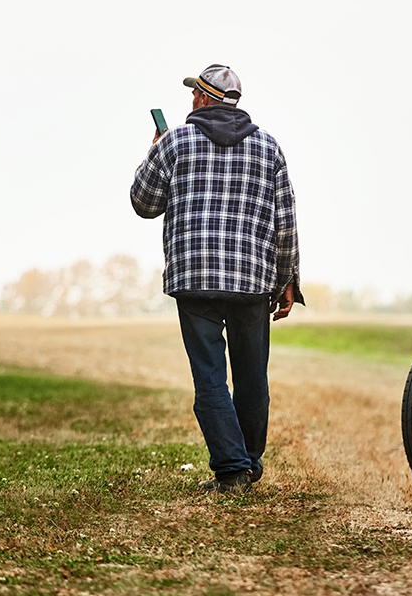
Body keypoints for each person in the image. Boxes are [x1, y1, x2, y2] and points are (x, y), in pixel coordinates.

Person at [130, 64, 304, 493]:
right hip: (251, 281)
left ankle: (232, 470)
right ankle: (248, 463)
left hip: (195, 279)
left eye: (194, 95)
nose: (191, 100)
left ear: (204, 99)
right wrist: (288, 280)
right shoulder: (268, 148)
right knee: (252, 377)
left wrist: (155, 151)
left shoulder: (175, 142)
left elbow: (143, 203)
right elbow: (286, 222)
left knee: (209, 377)